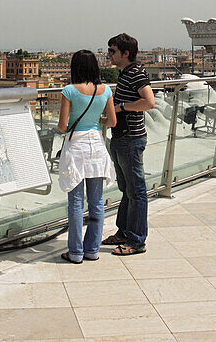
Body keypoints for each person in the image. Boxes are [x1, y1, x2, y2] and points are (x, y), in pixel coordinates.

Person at [57, 50, 117, 263]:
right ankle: (92, 249)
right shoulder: (106, 90)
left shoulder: (69, 91)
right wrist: (95, 118)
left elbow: (63, 126)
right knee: (97, 201)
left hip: (77, 147)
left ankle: (75, 252)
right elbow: (112, 121)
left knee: (75, 202)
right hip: (97, 146)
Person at [102, 33, 154, 256]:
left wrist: (120, 107)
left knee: (137, 191)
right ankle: (124, 232)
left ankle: (137, 241)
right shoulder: (126, 73)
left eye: (112, 51)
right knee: (127, 189)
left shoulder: (136, 73)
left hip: (131, 138)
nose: (109, 55)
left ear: (125, 53)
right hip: (123, 137)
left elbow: (149, 102)